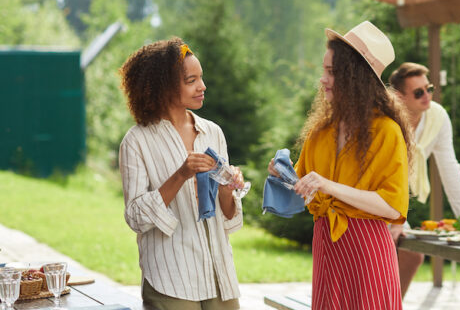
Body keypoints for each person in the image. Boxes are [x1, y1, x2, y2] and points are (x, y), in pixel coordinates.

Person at [268, 21, 413, 309]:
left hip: (367, 250)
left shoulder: (386, 131)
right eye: (324, 70)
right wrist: (283, 175)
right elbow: (305, 186)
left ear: (354, 77)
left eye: (331, 72)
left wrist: (327, 185)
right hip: (327, 246)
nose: (322, 79)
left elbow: (392, 206)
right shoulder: (320, 132)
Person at [119, 38, 245, 310]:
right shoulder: (137, 141)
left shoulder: (213, 132)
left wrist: (227, 187)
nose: (203, 87)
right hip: (171, 278)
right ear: (163, 88)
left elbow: (228, 215)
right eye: (191, 80)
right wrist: (181, 174)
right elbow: (136, 217)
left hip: (218, 277)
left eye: (201, 78)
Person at [387, 62, 460, 297]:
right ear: (399, 96)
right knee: (396, 255)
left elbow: (450, 169)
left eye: (429, 88)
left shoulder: (437, 116)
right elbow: (386, 173)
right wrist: (395, 220)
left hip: (395, 202)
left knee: (411, 255)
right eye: (418, 92)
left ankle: (391, 304)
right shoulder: (387, 119)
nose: (427, 96)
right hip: (371, 196)